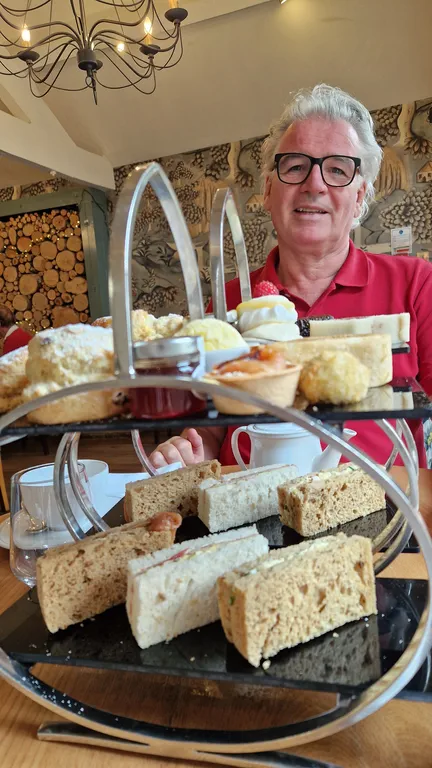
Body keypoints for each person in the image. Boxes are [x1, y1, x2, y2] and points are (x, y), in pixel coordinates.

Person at [149, 84, 432, 470]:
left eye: (337, 170)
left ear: (359, 197)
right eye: (296, 166)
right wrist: (192, 450)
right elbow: (211, 426)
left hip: (382, 500)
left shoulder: (416, 284)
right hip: (253, 498)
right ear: (268, 190)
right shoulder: (229, 302)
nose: (314, 184)